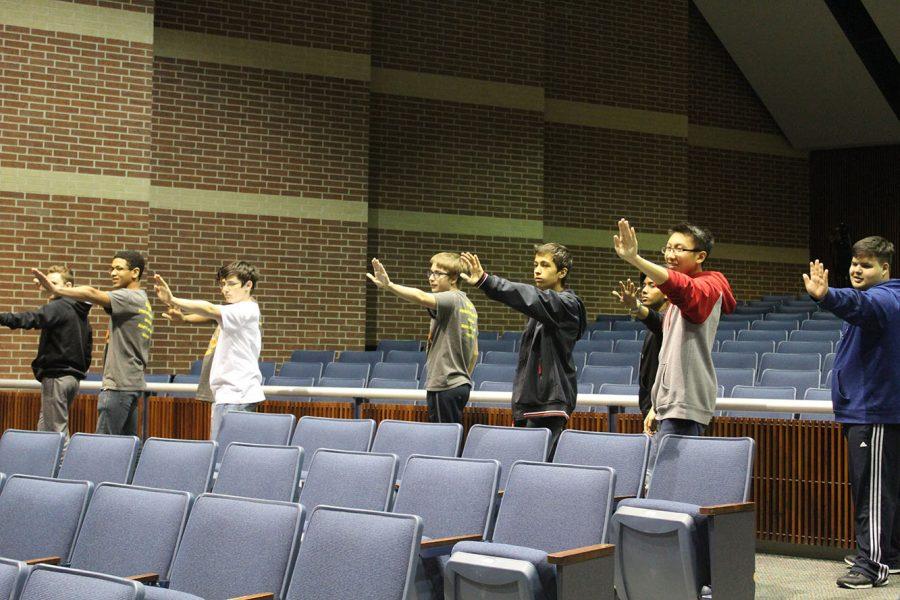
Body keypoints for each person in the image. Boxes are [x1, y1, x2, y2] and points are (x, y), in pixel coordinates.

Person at [803, 236, 900, 589]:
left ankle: (871, 564)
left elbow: (859, 306)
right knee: (883, 488)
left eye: (867, 264)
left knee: (871, 492)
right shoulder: (880, 299)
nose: (857, 270)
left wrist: (827, 295)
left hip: (872, 412)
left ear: (885, 268)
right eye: (855, 263)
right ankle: (888, 553)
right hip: (867, 410)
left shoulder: (885, 299)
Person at [613, 219, 735, 467]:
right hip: (671, 404)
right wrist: (656, 405)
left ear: (700, 256)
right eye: (667, 248)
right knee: (659, 480)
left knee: (670, 485)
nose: (670, 254)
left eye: (679, 249)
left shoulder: (708, 287)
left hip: (685, 404)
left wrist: (635, 259)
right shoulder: (674, 305)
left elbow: (685, 289)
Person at [460, 243, 586, 451]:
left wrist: (486, 281)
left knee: (536, 470)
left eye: (545, 265)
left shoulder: (567, 305)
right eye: (535, 264)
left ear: (562, 272)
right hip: (530, 400)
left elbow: (526, 296)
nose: (537, 270)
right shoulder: (544, 307)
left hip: (549, 401)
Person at [33, 251, 152, 436]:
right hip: (133, 384)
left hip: (118, 386)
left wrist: (57, 290)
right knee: (128, 450)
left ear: (135, 272)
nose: (112, 273)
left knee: (100, 449)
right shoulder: (142, 300)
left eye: (119, 269)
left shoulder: (128, 297)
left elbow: (91, 293)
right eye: (111, 268)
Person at [154, 261, 264, 440]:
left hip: (237, 396)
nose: (225, 289)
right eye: (223, 284)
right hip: (228, 396)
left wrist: (172, 299)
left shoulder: (246, 309)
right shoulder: (237, 310)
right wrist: (184, 319)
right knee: (221, 456)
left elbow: (210, 308)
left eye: (231, 284)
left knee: (223, 458)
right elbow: (211, 314)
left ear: (248, 285)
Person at [367, 254, 478, 424]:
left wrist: (389, 285)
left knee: (442, 440)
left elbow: (421, 297)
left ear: (454, 278)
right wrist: (461, 379)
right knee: (446, 437)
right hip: (458, 385)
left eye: (438, 274)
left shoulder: (451, 299)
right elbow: (475, 353)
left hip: (446, 384)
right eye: (430, 273)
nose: (431, 278)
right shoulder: (469, 305)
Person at [0, 266, 92, 440]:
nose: (49, 287)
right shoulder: (80, 313)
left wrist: (2, 317)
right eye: (47, 283)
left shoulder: (60, 306)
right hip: (72, 379)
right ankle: (44, 464)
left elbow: (30, 319)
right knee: (45, 426)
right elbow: (87, 349)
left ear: (69, 286)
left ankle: (61, 467)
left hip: (57, 376)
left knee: (56, 432)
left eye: (54, 283)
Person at [612, 276, 670, 421]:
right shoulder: (653, 326)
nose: (644, 290)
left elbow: (658, 322)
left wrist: (635, 307)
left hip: (662, 410)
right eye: (643, 285)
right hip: (651, 408)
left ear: (667, 293)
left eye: (652, 285)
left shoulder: (671, 322)